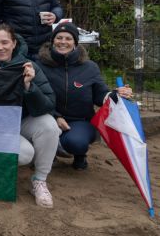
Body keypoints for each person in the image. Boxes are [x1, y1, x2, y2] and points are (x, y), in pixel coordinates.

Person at [0, 23, 60, 208]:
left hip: (21, 122)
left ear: (14, 43)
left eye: (5, 42)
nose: (0, 47)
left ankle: (40, 181)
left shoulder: (29, 66)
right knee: (25, 155)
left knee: (50, 126)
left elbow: (49, 105)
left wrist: (29, 86)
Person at [38, 22, 132, 170]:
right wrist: (55, 116)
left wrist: (116, 95)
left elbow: (100, 95)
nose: (63, 42)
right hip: (49, 117)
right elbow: (36, 97)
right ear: (52, 41)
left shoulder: (90, 67)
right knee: (41, 129)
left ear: (75, 42)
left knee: (77, 143)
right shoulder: (40, 65)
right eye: (59, 38)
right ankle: (50, 154)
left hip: (80, 120)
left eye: (68, 39)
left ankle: (80, 154)